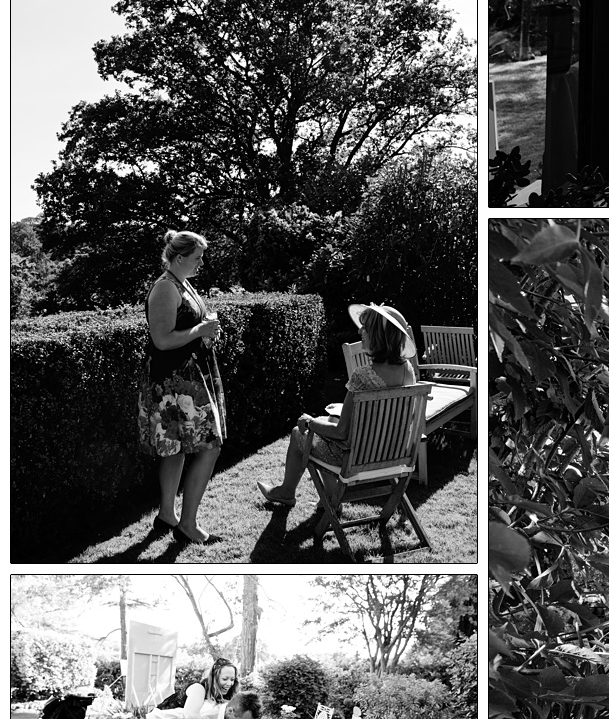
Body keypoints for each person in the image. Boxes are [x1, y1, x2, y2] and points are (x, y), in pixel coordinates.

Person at [256, 303, 418, 508]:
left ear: (377, 336)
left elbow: (341, 433)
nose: (360, 331)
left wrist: (310, 422)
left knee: (299, 432)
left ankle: (286, 492)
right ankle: (331, 500)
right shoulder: (407, 370)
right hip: (393, 454)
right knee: (331, 419)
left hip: (357, 458)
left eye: (365, 327)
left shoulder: (363, 376)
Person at [138, 231, 225, 545]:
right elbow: (161, 340)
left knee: (175, 449)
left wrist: (203, 332)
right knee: (209, 445)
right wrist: (200, 329)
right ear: (179, 258)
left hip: (186, 376)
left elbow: (184, 329)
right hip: (173, 382)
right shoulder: (164, 288)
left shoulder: (182, 283)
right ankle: (187, 524)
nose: (202, 262)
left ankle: (167, 514)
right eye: (197, 256)